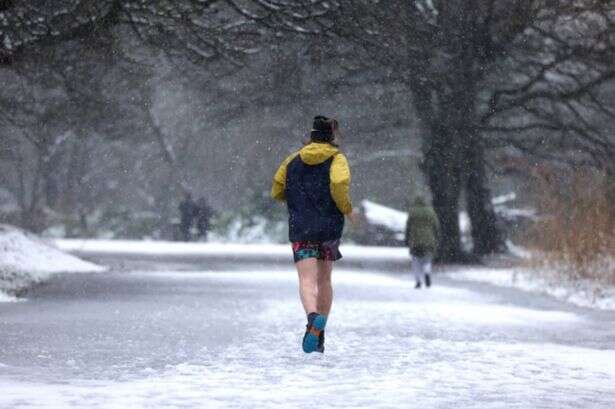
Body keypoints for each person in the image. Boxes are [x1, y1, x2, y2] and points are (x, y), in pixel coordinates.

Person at [271, 115, 354, 354]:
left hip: (301, 227)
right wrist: (346, 209)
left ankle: (312, 319)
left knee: (306, 280)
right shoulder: (337, 159)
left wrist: (296, 199)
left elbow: (277, 189)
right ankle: (320, 336)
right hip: (328, 227)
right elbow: (339, 185)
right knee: (324, 280)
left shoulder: (292, 160)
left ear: (311, 135)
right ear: (332, 136)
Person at [405, 196, 440, 289]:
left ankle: (418, 281)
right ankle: (427, 272)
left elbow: (408, 226)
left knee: (416, 261)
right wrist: (437, 236)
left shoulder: (412, 212)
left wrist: (407, 238)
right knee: (427, 259)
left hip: (415, 240)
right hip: (428, 239)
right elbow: (436, 226)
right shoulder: (430, 212)